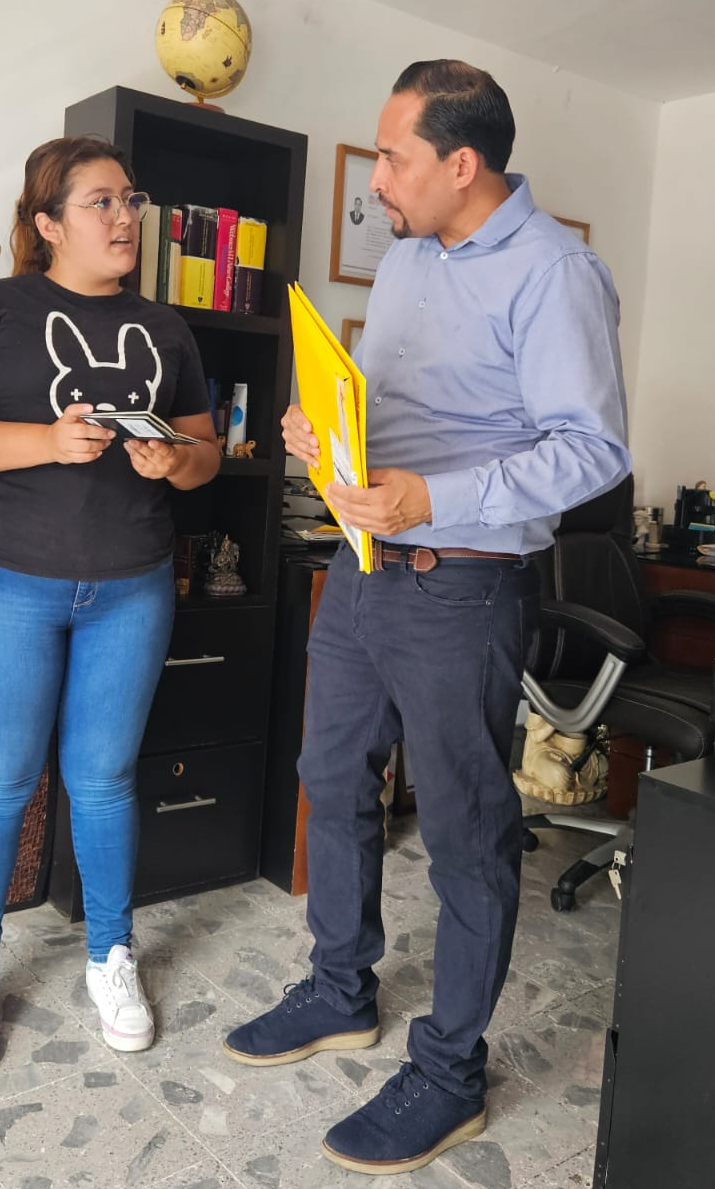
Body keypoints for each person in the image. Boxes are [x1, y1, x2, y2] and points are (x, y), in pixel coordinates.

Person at [223, 60, 629, 1174]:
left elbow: (591, 451)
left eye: (392, 157)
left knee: (464, 828)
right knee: (329, 776)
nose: (376, 180)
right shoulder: (405, 259)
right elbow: (384, 412)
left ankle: (449, 1075)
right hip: (363, 567)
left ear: (461, 162)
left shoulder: (556, 273)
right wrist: (321, 432)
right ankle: (338, 990)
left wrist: (431, 497)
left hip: (463, 583)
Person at [0, 135, 220, 1080]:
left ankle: (110, 955)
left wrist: (173, 461)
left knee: (106, 780)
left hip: (130, 587)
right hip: (2, 583)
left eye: (132, 201)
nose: (126, 218)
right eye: (102, 202)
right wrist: (45, 442)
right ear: (47, 223)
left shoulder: (165, 328)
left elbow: (205, 454)